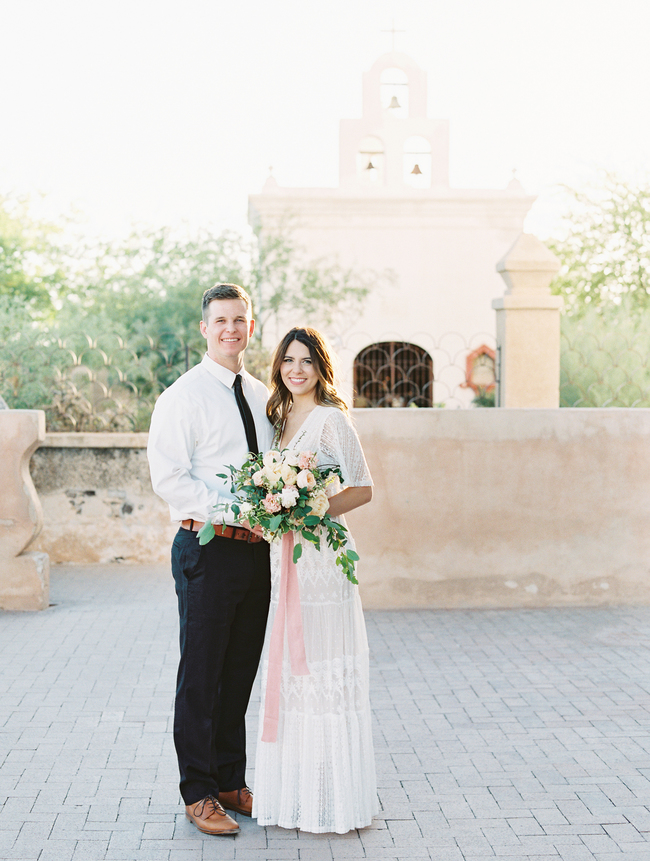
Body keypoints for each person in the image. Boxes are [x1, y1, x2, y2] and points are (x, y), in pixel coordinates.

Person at [147, 283, 273, 836]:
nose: (230, 329)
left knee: (239, 672)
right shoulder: (183, 396)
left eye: (239, 320)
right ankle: (197, 792)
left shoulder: (262, 393)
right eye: (220, 320)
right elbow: (169, 478)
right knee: (201, 675)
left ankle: (228, 780)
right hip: (207, 548)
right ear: (204, 328)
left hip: (256, 554)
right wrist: (230, 513)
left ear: (251, 326)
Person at [253, 326, 378, 833]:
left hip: (324, 558)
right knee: (291, 671)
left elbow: (363, 487)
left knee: (322, 669)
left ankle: (333, 801)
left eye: (306, 361)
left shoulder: (330, 420)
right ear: (279, 365)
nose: (296, 369)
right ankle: (295, 798)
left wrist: (312, 510)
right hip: (287, 559)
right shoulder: (278, 418)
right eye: (288, 360)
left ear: (320, 366)